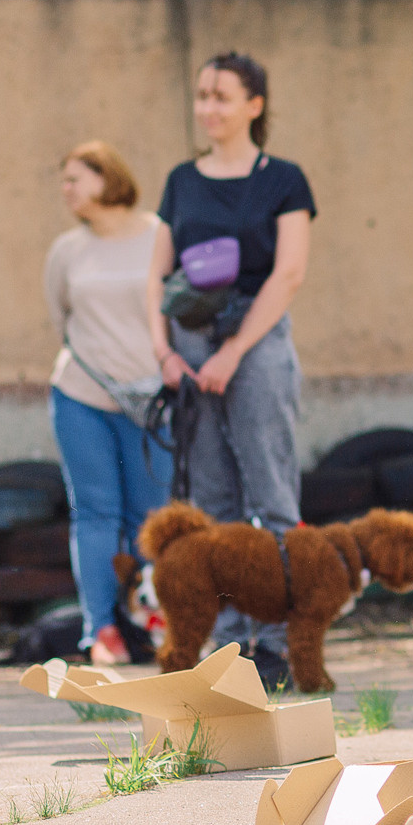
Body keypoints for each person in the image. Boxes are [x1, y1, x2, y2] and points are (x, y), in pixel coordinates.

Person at [147, 52, 316, 689]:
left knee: (270, 494)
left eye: (222, 96)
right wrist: (164, 352)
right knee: (210, 498)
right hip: (189, 343)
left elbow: (289, 273)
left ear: (254, 105)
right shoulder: (181, 180)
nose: (209, 107)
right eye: (202, 95)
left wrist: (236, 350)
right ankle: (226, 644)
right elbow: (156, 275)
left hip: (257, 339)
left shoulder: (285, 180)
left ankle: (275, 644)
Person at [45, 142, 169, 665]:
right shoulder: (67, 250)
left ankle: (151, 625)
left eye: (76, 178)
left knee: (150, 518)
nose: (66, 189)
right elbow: (61, 317)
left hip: (153, 400)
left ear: (107, 177)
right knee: (96, 513)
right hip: (82, 396)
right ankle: (101, 632)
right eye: (64, 181)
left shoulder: (161, 235)